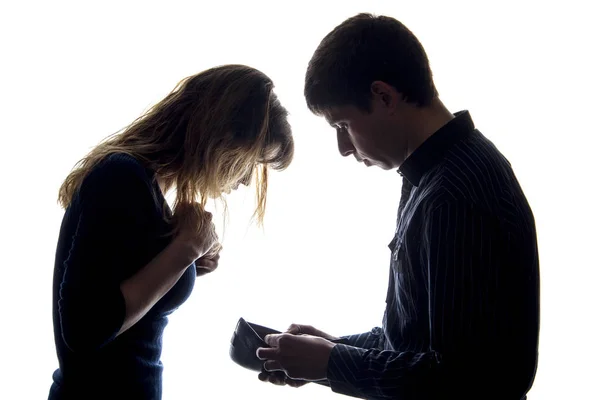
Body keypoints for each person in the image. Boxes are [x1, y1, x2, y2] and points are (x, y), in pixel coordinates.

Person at [256, 13, 539, 400]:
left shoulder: (453, 196)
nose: (343, 149)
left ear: (385, 97)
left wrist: (331, 362)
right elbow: (414, 343)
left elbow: (462, 380)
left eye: (342, 126)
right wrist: (332, 350)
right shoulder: (430, 176)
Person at [48, 64, 294, 400]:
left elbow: (125, 298)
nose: (249, 179)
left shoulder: (147, 186)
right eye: (251, 162)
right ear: (222, 136)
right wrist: (185, 251)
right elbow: (86, 330)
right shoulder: (121, 177)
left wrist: (186, 263)